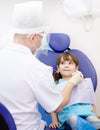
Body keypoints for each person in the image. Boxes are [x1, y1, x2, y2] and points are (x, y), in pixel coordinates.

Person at [0, 1, 83, 130]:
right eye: (41, 37)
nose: (42, 41)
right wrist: (72, 82)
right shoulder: (37, 68)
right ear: (33, 37)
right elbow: (57, 106)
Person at [49, 52, 100, 130]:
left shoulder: (83, 82)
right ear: (58, 68)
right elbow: (52, 105)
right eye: (63, 63)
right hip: (68, 114)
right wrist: (54, 121)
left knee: (93, 120)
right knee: (74, 119)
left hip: (86, 112)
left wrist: (94, 114)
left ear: (76, 68)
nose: (66, 66)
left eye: (70, 63)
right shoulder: (56, 85)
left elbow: (90, 100)